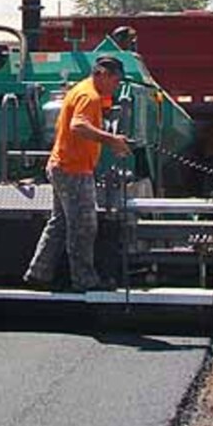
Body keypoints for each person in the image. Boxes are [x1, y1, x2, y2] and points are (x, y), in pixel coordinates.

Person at [23, 56, 131, 292]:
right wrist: (111, 140)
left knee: (60, 223)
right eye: (115, 80)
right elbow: (78, 126)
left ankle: (39, 272)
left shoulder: (85, 90)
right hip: (73, 169)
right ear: (101, 73)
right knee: (83, 226)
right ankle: (84, 280)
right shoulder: (88, 96)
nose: (116, 85)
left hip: (63, 165)